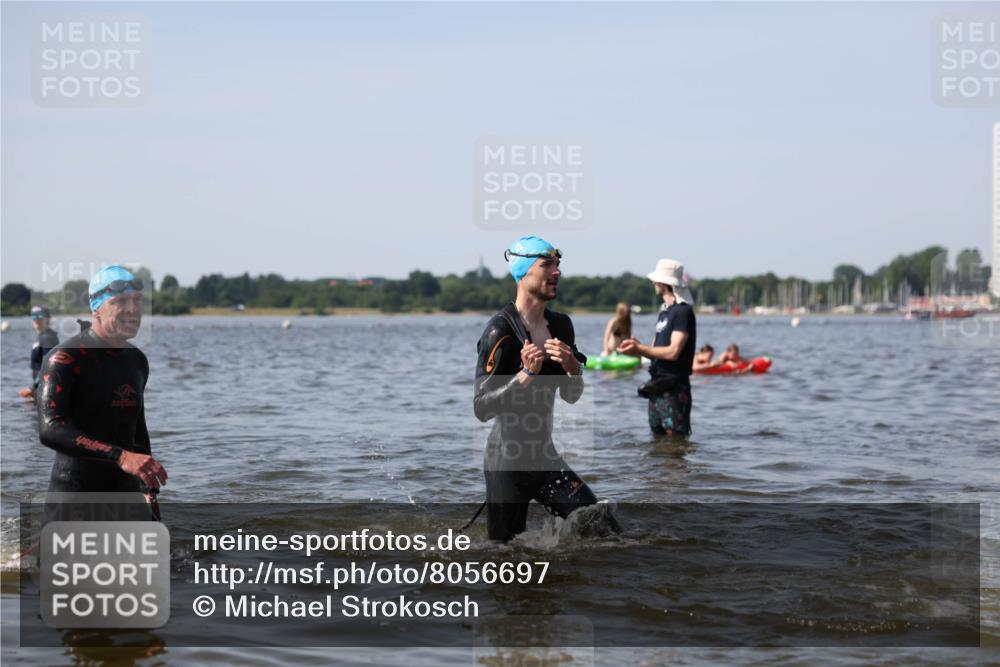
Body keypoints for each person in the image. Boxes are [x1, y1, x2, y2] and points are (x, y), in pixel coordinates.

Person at [474, 236, 613, 542]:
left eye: (558, 265)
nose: (557, 272)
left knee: (602, 527)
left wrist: (573, 368)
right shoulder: (501, 331)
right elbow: (482, 407)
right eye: (547, 264)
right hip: (507, 464)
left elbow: (571, 395)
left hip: (545, 459)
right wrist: (525, 375)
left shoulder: (561, 326)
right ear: (523, 272)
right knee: (504, 555)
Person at [36, 265, 167, 512]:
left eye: (137, 300)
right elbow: (50, 429)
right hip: (75, 499)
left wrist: (149, 489)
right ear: (96, 308)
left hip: (125, 496)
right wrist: (121, 456)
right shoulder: (65, 358)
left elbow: (136, 427)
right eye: (120, 301)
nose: (133, 309)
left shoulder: (137, 360)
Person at [619, 259, 697, 437]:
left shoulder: (683, 312)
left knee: (676, 441)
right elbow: (654, 350)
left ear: (664, 283)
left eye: (656, 280)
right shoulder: (664, 313)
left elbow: (673, 351)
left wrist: (639, 348)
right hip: (657, 386)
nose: (653, 283)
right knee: (657, 442)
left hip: (675, 388)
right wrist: (636, 346)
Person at [19, 306, 60, 398]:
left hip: (46, 389)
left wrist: (31, 388)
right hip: (42, 387)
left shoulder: (48, 338)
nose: (36, 319)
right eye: (34, 316)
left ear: (48, 318)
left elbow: (48, 367)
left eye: (40, 316)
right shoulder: (42, 336)